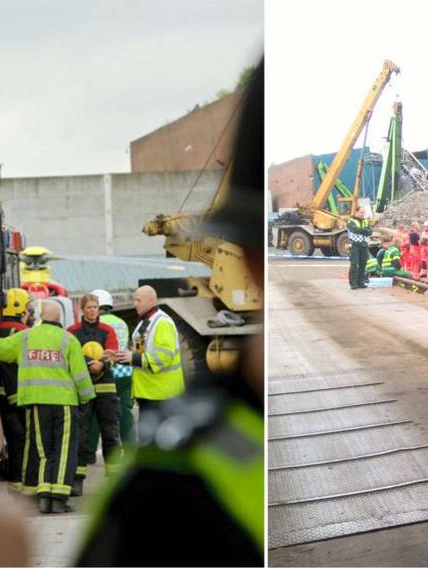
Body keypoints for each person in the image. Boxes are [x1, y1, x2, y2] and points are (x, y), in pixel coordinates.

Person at [76, 58, 264, 566]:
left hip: (154, 395)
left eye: (136, 301)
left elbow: (159, 361)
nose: (131, 305)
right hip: (145, 398)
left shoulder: (167, 482)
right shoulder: (179, 467)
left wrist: (124, 364)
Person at [0, 301, 94, 514]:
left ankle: (43, 497)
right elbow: (80, 375)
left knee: (43, 451)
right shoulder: (68, 340)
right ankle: (58, 499)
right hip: (64, 403)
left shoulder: (26, 337)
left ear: (40, 315)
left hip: (35, 403)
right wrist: (86, 398)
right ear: (59, 318)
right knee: (63, 450)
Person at [67, 293, 122, 496]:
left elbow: (113, 352)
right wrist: (90, 362)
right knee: (81, 435)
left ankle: (114, 480)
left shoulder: (107, 330)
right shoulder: (72, 331)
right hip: (83, 389)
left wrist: (103, 363)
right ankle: (77, 480)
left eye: (95, 307)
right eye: (88, 307)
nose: (92, 311)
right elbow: (70, 353)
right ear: (82, 309)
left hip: (106, 389)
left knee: (110, 433)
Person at [0, 288, 31, 493]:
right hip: (23, 396)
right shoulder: (23, 333)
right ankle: (27, 482)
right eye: (28, 308)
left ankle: (15, 484)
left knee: (12, 440)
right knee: (29, 439)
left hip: (1, 397)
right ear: (20, 308)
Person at [114, 285, 184, 414]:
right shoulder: (146, 321)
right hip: (149, 392)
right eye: (134, 300)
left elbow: (163, 358)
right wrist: (120, 357)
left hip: (162, 395)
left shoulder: (162, 323)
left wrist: (134, 357)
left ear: (152, 301)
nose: (135, 304)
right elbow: (140, 351)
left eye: (138, 300)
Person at [91, 288, 135, 445]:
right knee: (125, 412)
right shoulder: (121, 322)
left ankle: (89, 453)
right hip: (125, 372)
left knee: (96, 413)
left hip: (106, 374)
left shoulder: (98, 324)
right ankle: (129, 447)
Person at [346, 206, 372, 289]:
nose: (362, 214)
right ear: (356, 212)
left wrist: (364, 231)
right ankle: (353, 283)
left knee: (363, 264)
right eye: (361, 212)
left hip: (363, 245)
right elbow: (354, 230)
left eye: (363, 212)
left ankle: (360, 282)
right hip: (354, 245)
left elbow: (370, 231)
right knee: (354, 264)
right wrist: (364, 231)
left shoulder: (365, 221)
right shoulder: (351, 221)